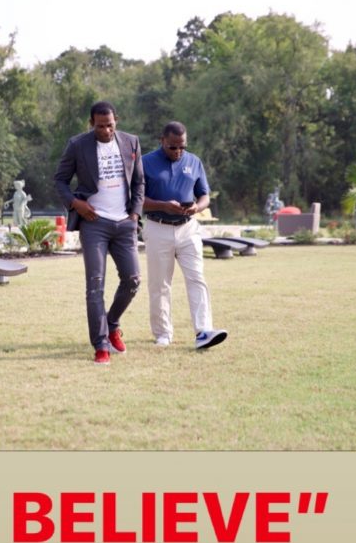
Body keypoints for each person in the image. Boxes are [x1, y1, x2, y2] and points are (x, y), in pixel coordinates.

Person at [54, 101, 144, 365]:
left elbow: (139, 181)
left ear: (117, 120)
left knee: (133, 280)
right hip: (94, 223)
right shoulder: (77, 144)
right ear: (91, 123)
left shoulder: (131, 142)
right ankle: (101, 345)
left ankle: (112, 323)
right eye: (100, 126)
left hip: (124, 223)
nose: (105, 130)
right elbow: (60, 179)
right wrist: (76, 204)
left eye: (110, 125)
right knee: (95, 286)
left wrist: (135, 214)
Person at [142, 121, 227, 350]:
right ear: (162, 141)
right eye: (173, 147)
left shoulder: (194, 161)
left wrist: (197, 208)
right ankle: (162, 333)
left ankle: (203, 331)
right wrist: (163, 205)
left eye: (182, 147)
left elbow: (204, 196)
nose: (178, 151)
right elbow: (136, 199)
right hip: (158, 227)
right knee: (160, 284)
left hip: (188, 228)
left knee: (197, 277)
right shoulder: (145, 162)